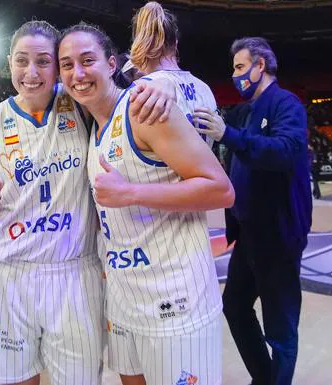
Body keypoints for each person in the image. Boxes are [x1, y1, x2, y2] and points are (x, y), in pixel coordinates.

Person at [0, 20, 175, 385]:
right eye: (21, 61)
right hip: (8, 272)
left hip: (73, 272)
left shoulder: (79, 104)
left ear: (58, 67)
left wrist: (157, 87)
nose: (30, 73)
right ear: (8, 63)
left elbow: (117, 84)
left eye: (43, 61)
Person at [58, 22, 234, 385]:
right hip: (124, 298)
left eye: (87, 60)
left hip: (176, 299)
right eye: (67, 64)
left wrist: (132, 193)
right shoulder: (93, 125)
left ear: (111, 64)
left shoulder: (144, 108)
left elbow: (220, 189)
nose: (77, 73)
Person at [193, 37, 312, 385]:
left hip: (279, 235)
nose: (236, 76)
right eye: (234, 69)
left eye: (241, 67)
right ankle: (265, 378)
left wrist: (229, 134)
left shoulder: (286, 104)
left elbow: (284, 151)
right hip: (248, 234)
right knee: (235, 307)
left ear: (261, 66)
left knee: (281, 327)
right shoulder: (243, 112)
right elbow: (228, 144)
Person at [127, 2, 218, 149]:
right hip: (204, 169)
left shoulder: (141, 90)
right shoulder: (205, 88)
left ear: (141, 43)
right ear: (175, 44)